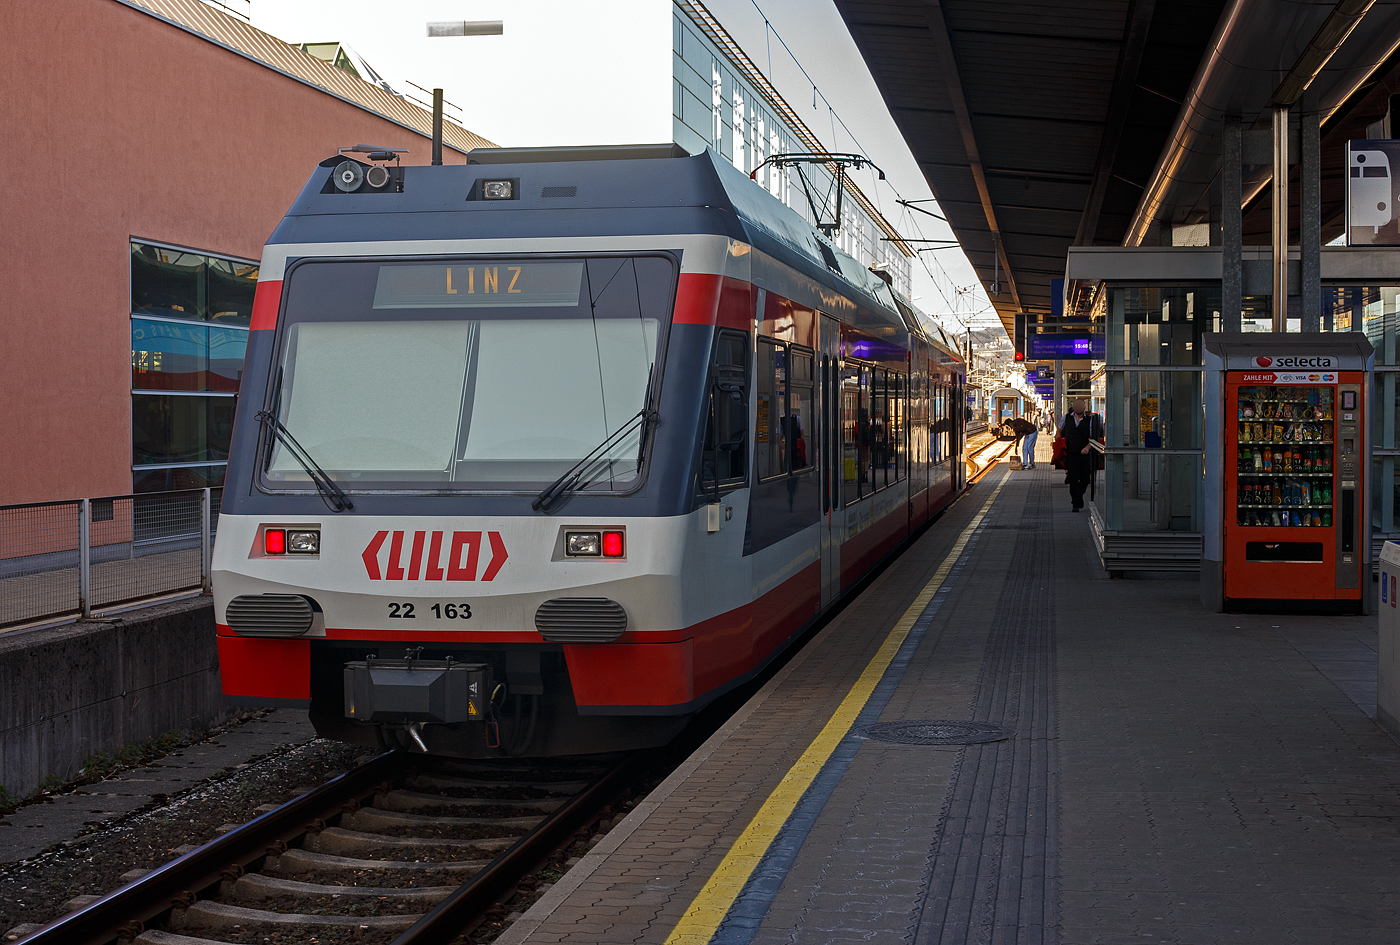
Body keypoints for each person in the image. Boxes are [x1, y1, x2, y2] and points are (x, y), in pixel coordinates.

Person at [1060, 398, 1103, 512]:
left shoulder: (1090, 420)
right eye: (1076, 405)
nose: (1078, 408)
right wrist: (1059, 443)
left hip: (1085, 454)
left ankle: (1078, 495)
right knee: (1073, 479)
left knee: (1084, 478)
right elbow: (1059, 431)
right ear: (1074, 407)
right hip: (1071, 453)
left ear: (1084, 408)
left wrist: (1087, 448)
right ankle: (1076, 503)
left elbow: (1093, 437)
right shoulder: (1066, 418)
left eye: (1081, 406)